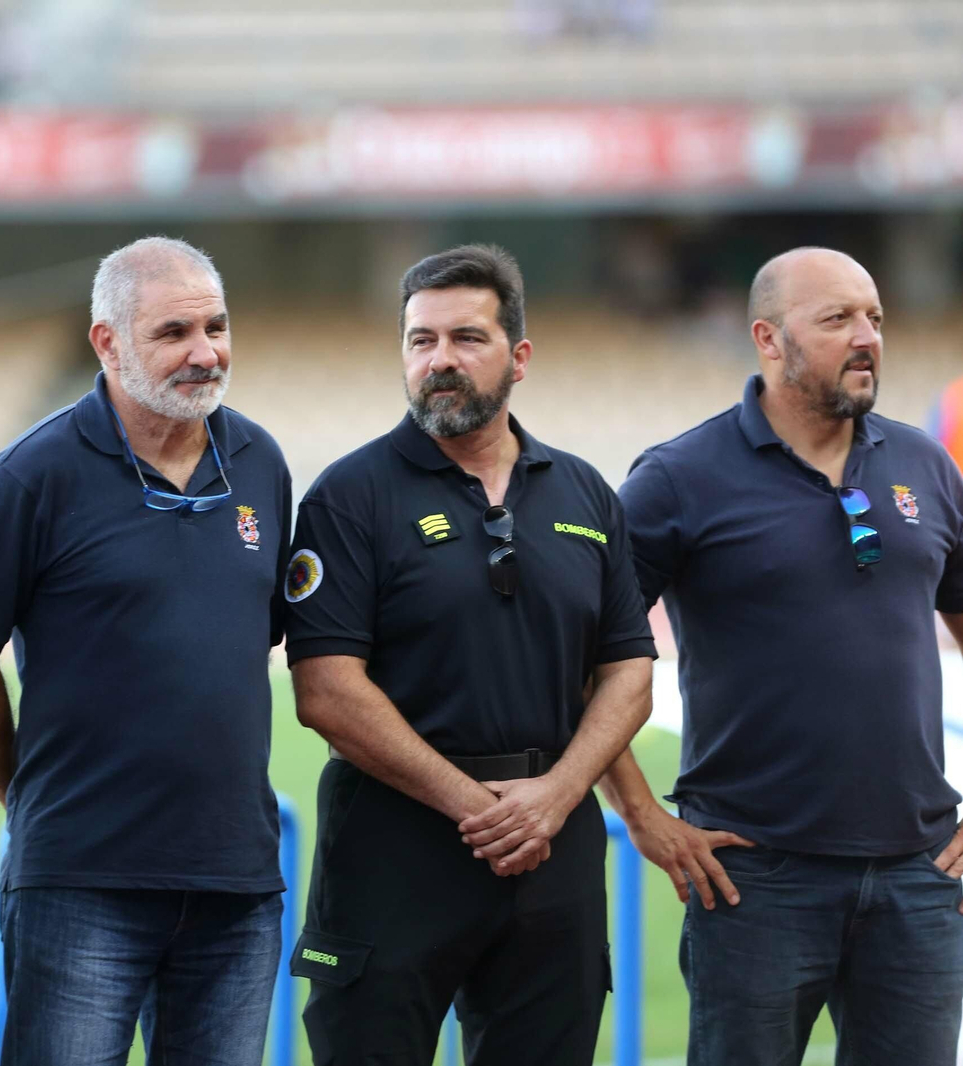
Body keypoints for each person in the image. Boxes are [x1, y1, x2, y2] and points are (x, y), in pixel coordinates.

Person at [283, 244, 655, 1066]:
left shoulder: (584, 492)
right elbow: (326, 691)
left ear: (518, 356)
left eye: (466, 338)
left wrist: (556, 795)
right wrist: (475, 806)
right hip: (395, 844)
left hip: (552, 846)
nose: (439, 360)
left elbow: (629, 671)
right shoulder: (350, 496)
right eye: (420, 341)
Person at [0, 237, 292, 1066]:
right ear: (107, 341)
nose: (204, 353)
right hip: (81, 883)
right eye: (173, 333)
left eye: (216, 326)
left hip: (236, 884)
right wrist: (27, 799)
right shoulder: (30, 477)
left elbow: (248, 639)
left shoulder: (261, 462)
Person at [602, 246, 963, 1066]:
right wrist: (643, 816)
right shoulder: (677, 478)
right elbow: (579, 655)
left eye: (873, 316)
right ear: (768, 339)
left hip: (917, 873)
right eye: (837, 319)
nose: (865, 336)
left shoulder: (924, 465)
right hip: (756, 881)